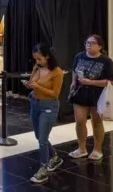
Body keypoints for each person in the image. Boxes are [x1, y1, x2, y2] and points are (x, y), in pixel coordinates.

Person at [68, 35, 113, 160]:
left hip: (98, 95)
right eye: (87, 42)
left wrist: (90, 82)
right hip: (80, 92)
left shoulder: (106, 61)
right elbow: (74, 70)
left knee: (97, 122)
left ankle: (97, 149)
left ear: (100, 46)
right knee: (80, 121)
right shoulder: (79, 56)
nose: (88, 45)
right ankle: (82, 148)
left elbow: (111, 81)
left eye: (92, 43)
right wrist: (73, 82)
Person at [25, 43, 64, 183]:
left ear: (47, 56)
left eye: (40, 59)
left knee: (42, 139)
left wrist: (38, 86)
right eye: (35, 59)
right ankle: (55, 157)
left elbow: (55, 94)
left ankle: (43, 169)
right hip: (35, 103)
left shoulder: (57, 72)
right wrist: (30, 85)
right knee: (38, 135)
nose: (37, 62)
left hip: (49, 106)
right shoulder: (37, 68)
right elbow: (32, 82)